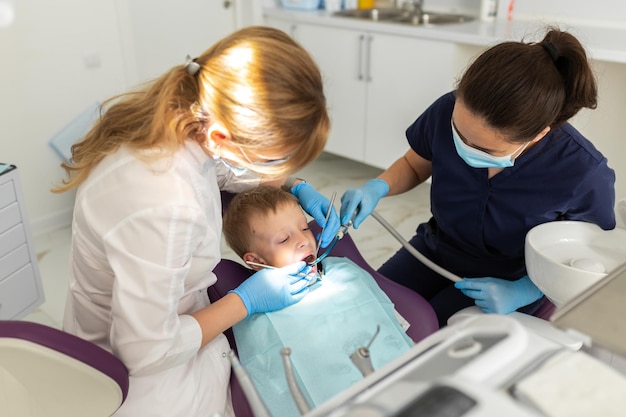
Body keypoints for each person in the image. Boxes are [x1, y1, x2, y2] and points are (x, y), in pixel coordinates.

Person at [52, 26, 341, 417]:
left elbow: (216, 170)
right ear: (222, 135)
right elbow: (146, 350)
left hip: (161, 314)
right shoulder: (164, 203)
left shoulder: (179, 120)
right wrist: (247, 300)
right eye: (273, 158)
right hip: (138, 377)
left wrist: (292, 183)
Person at [340, 27, 616, 327]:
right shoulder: (447, 108)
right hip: (437, 249)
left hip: (509, 281)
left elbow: (588, 258)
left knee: (424, 340)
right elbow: (415, 164)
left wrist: (524, 290)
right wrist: (377, 187)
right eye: (458, 133)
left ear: (538, 134)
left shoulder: (583, 171)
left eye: (482, 147)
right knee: (371, 313)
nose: (463, 147)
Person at [222, 186, 413, 416]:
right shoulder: (256, 315)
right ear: (255, 261)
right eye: (284, 239)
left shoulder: (344, 272)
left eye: (304, 227)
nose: (304, 239)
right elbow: (271, 383)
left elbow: (391, 323)